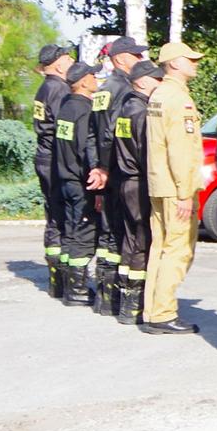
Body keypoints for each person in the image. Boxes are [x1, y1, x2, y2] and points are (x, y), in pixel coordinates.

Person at [143, 42, 205, 335]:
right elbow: (180, 149)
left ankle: (153, 310)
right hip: (175, 187)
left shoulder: (158, 94)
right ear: (174, 63)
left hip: (159, 183)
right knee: (178, 250)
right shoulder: (179, 99)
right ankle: (163, 313)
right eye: (190, 59)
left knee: (160, 248)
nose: (195, 63)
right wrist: (185, 193)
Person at [92, 36, 147, 317]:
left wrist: (95, 166)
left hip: (106, 170)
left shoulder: (103, 88)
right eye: (135, 55)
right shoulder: (124, 89)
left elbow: (92, 133)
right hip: (117, 171)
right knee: (120, 234)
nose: (140, 59)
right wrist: (104, 167)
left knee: (108, 235)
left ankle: (105, 298)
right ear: (121, 59)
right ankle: (117, 299)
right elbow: (107, 133)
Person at [107, 59, 162, 326]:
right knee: (141, 240)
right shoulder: (140, 111)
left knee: (130, 240)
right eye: (156, 79)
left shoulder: (125, 108)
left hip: (125, 180)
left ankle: (125, 300)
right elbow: (147, 153)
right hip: (139, 181)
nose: (160, 83)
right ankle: (135, 303)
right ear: (141, 81)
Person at [53, 61, 106, 309]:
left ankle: (66, 284)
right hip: (80, 181)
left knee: (71, 231)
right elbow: (87, 148)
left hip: (64, 179)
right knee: (84, 234)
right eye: (93, 76)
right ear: (83, 82)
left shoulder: (65, 106)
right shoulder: (84, 110)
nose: (96, 79)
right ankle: (77, 289)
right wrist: (97, 187)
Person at [32, 43, 74, 298]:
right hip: (55, 159)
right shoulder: (58, 89)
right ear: (58, 65)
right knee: (62, 216)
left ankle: (56, 277)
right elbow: (64, 128)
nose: (72, 62)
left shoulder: (45, 87)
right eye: (68, 59)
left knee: (54, 216)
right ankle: (64, 279)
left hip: (45, 157)